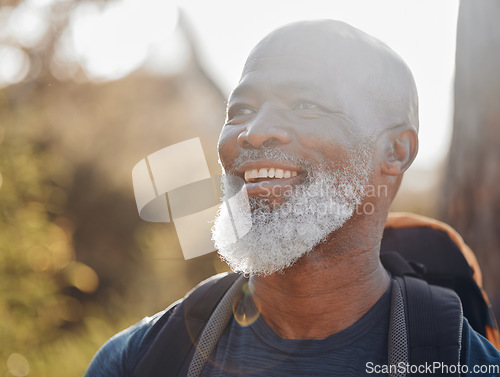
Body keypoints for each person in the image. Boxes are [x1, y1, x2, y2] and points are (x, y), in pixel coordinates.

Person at [85, 20, 500, 376]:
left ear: (395, 151)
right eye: (240, 110)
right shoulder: (138, 360)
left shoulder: (467, 363)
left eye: (306, 105)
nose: (253, 131)